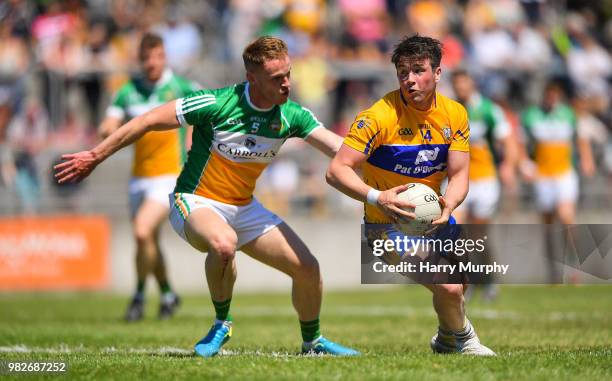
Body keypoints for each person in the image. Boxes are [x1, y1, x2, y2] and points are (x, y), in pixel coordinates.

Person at [55, 36, 359, 357]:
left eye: (288, 74)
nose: (287, 83)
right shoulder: (215, 103)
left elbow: (341, 149)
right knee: (223, 242)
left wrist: (397, 160)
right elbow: (145, 121)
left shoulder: (292, 116)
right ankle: (222, 323)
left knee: (308, 267)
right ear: (252, 78)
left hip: (244, 208)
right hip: (195, 201)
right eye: (277, 78)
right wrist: (95, 155)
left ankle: (313, 342)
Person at [326, 34, 495, 356]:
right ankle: (466, 341)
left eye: (418, 70)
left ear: (438, 73)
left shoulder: (455, 113)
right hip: (386, 228)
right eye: (403, 72)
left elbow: (459, 174)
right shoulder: (377, 117)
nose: (410, 80)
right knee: (448, 285)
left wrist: (451, 204)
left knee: (462, 277)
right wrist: (378, 197)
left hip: (433, 218)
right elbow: (337, 170)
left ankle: (446, 338)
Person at [98, 33, 198, 321]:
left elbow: (208, 111)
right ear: (140, 59)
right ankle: (167, 295)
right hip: (138, 178)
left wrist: (194, 138)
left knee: (142, 231)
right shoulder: (127, 91)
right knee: (148, 241)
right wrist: (106, 131)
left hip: (170, 176)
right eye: (146, 58)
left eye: (157, 56)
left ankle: (139, 296)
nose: (152, 63)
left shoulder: (181, 87)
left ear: (164, 57)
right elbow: (110, 121)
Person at [450, 69, 517, 301]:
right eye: (456, 84)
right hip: (458, 180)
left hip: (485, 180)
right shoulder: (449, 111)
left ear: (471, 83)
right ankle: (462, 283)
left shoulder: (488, 110)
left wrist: (508, 165)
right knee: (455, 232)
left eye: (463, 83)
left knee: (479, 236)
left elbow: (507, 139)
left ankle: (488, 280)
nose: (460, 88)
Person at [519, 80, 595, 282]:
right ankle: (553, 270)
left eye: (555, 94)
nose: (552, 98)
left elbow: (580, 138)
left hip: (563, 173)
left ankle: (574, 266)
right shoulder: (532, 116)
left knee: (566, 217)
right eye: (549, 94)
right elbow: (521, 143)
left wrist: (586, 159)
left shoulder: (568, 115)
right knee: (548, 226)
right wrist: (524, 163)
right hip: (543, 176)